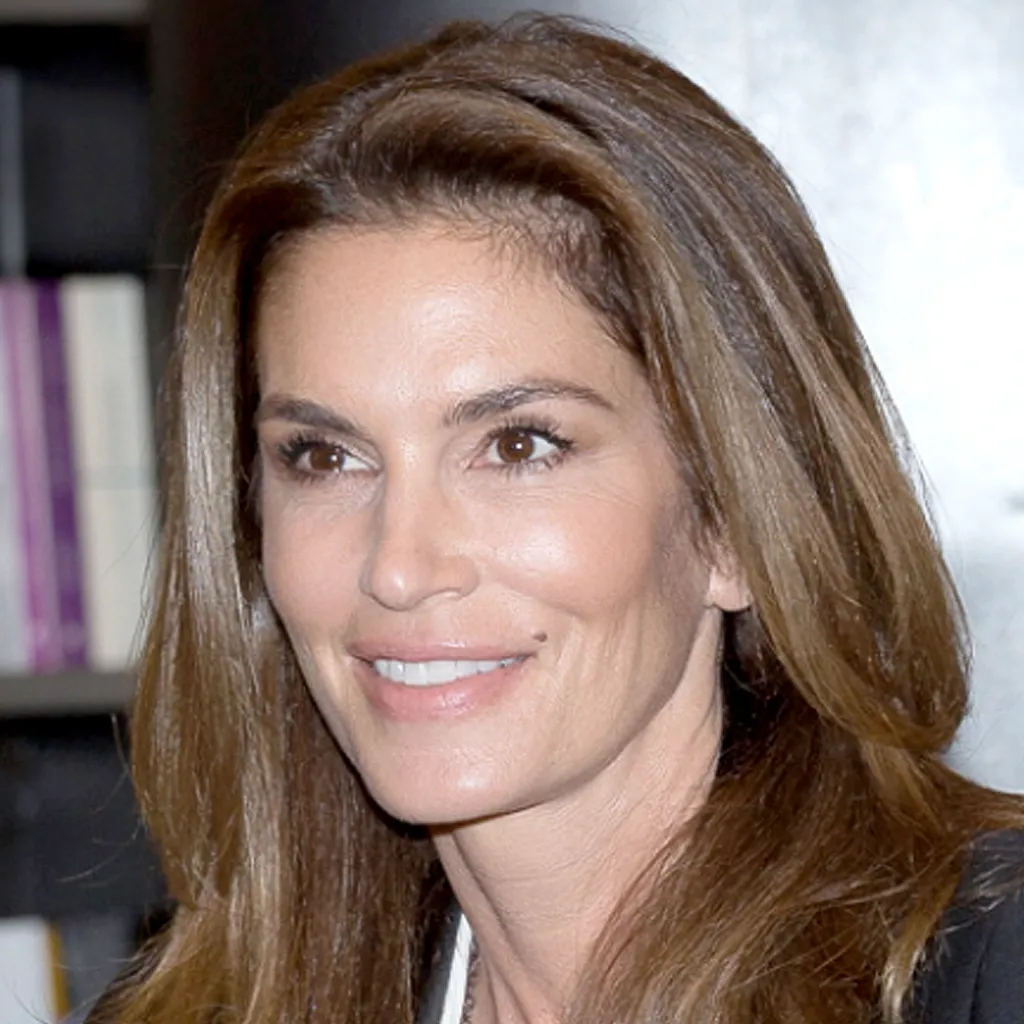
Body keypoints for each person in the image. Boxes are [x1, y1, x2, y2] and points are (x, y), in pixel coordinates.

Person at [87, 14, 1024, 1024]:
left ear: (733, 519)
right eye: (325, 456)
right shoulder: (198, 1009)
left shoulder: (989, 970)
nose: (399, 566)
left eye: (518, 446)